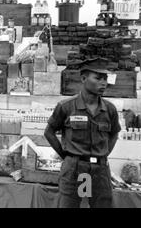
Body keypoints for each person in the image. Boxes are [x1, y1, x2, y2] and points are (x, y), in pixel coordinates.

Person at [44, 58, 121, 208]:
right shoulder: (66, 107)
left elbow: (114, 134)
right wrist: (67, 157)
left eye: (105, 79)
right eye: (98, 78)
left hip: (100, 171)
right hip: (73, 170)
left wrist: (103, 154)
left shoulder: (110, 109)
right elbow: (49, 132)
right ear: (83, 78)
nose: (103, 83)